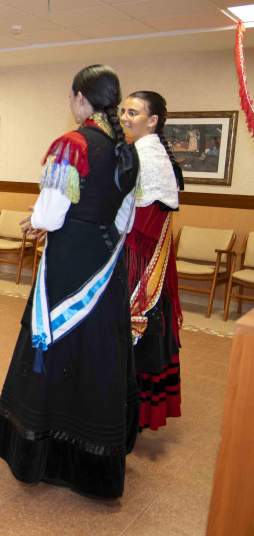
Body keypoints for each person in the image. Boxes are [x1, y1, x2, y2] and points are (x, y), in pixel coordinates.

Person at [0, 64, 140, 499]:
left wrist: (39, 221)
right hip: (106, 263)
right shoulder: (126, 149)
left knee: (52, 342)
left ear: (80, 98)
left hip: (69, 263)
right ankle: (94, 459)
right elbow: (125, 218)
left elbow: (51, 214)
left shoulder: (73, 145)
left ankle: (42, 450)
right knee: (97, 350)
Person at [120, 91, 183, 432]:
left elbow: (141, 222)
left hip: (139, 262)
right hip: (141, 254)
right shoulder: (147, 152)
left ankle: (133, 410)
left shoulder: (148, 158)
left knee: (135, 329)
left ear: (153, 119)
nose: (126, 117)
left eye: (133, 112)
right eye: (123, 111)